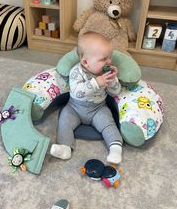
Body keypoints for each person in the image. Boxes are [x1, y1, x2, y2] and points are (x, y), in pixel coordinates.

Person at [50, 32, 123, 164]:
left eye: (109, 57)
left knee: (108, 124)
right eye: (103, 59)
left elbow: (116, 92)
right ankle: (65, 147)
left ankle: (115, 148)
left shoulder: (106, 73)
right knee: (64, 122)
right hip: (75, 107)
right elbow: (77, 91)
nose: (109, 61)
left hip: (98, 108)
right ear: (85, 62)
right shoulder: (76, 72)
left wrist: (112, 81)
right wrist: (96, 83)